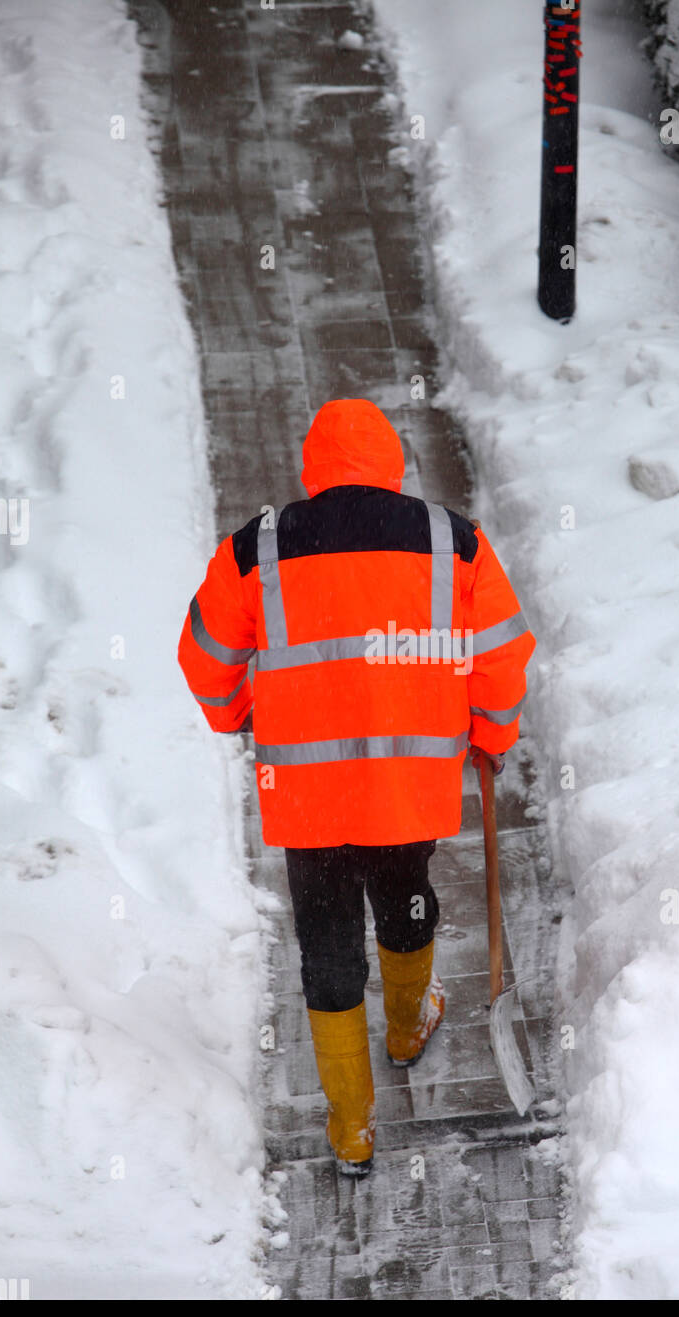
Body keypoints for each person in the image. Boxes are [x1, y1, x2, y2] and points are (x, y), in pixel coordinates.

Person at [178, 399, 535, 1176]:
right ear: (393, 465)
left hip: (307, 795)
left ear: (311, 468)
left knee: (328, 944)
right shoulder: (452, 540)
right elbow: (503, 655)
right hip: (407, 787)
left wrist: (244, 715)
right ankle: (408, 1028)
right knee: (407, 897)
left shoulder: (260, 547)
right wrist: (490, 733)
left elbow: (205, 658)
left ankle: (351, 1129)